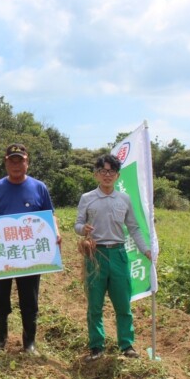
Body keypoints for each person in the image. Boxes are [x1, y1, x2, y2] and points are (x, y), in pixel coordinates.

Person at [0, 143, 60, 355]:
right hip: (3, 255)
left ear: (27, 162)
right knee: (0, 297)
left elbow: (50, 215)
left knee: (29, 299)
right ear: (6, 162)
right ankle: (0, 339)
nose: (16, 165)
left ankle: (29, 343)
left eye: (20, 160)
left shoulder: (39, 187)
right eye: (12, 161)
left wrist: (56, 232)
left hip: (29, 254)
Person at [74, 154, 152, 361]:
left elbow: (134, 228)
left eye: (111, 171)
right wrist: (83, 229)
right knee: (95, 304)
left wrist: (146, 250)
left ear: (117, 175)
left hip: (118, 254)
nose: (107, 175)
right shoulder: (87, 198)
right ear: (96, 175)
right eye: (102, 171)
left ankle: (126, 345)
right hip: (95, 255)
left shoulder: (124, 199)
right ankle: (96, 347)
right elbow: (77, 224)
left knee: (123, 304)